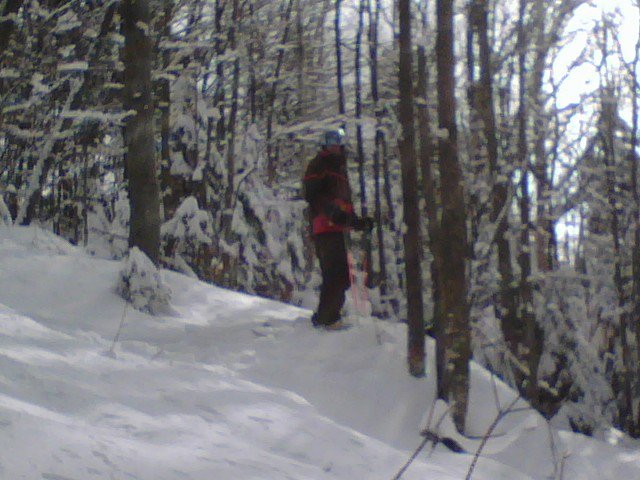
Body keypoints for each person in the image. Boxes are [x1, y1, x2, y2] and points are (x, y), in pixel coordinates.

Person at [302, 129, 373, 329]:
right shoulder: (319, 164)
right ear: (323, 144)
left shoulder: (339, 168)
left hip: (336, 227)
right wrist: (332, 213)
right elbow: (313, 195)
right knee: (337, 273)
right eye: (331, 141)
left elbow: (342, 204)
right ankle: (327, 318)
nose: (335, 145)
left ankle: (328, 315)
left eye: (338, 141)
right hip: (325, 226)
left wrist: (356, 222)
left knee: (340, 274)